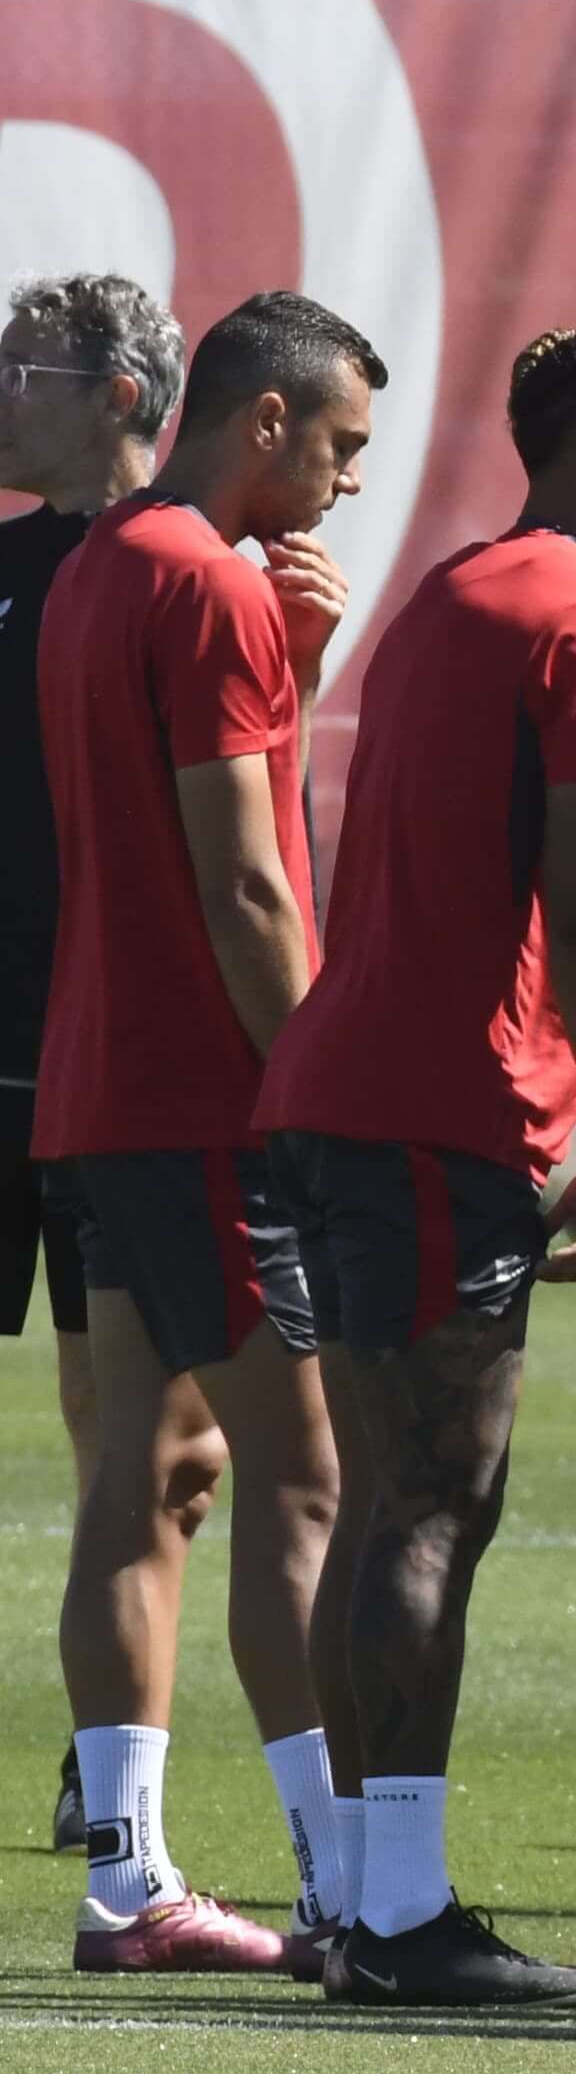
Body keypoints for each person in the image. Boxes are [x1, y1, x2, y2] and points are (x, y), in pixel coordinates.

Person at [255, 324, 576, 2008]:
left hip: (336, 1084)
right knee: (438, 1503)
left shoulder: (451, 589)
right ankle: (401, 1914)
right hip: (439, 1110)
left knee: (386, 1503)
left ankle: (358, 1896)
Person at [39, 288, 376, 1977]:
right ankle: (350, 1884)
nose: (347, 482)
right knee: (307, 1481)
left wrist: (291, 667)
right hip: (211, 1106)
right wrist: (316, 1079)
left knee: (145, 1475)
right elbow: (244, 878)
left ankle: (128, 1878)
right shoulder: (209, 579)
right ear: (264, 419)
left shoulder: (102, 565)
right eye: (340, 444)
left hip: (101, 1093)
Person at [1, 277, 225, 1862]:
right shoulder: (14, 567)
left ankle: (111, 1764)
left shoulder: (187, 574)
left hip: (104, 1063)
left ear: (123, 391)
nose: (6, 393)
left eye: (31, 371)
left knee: (126, 1416)